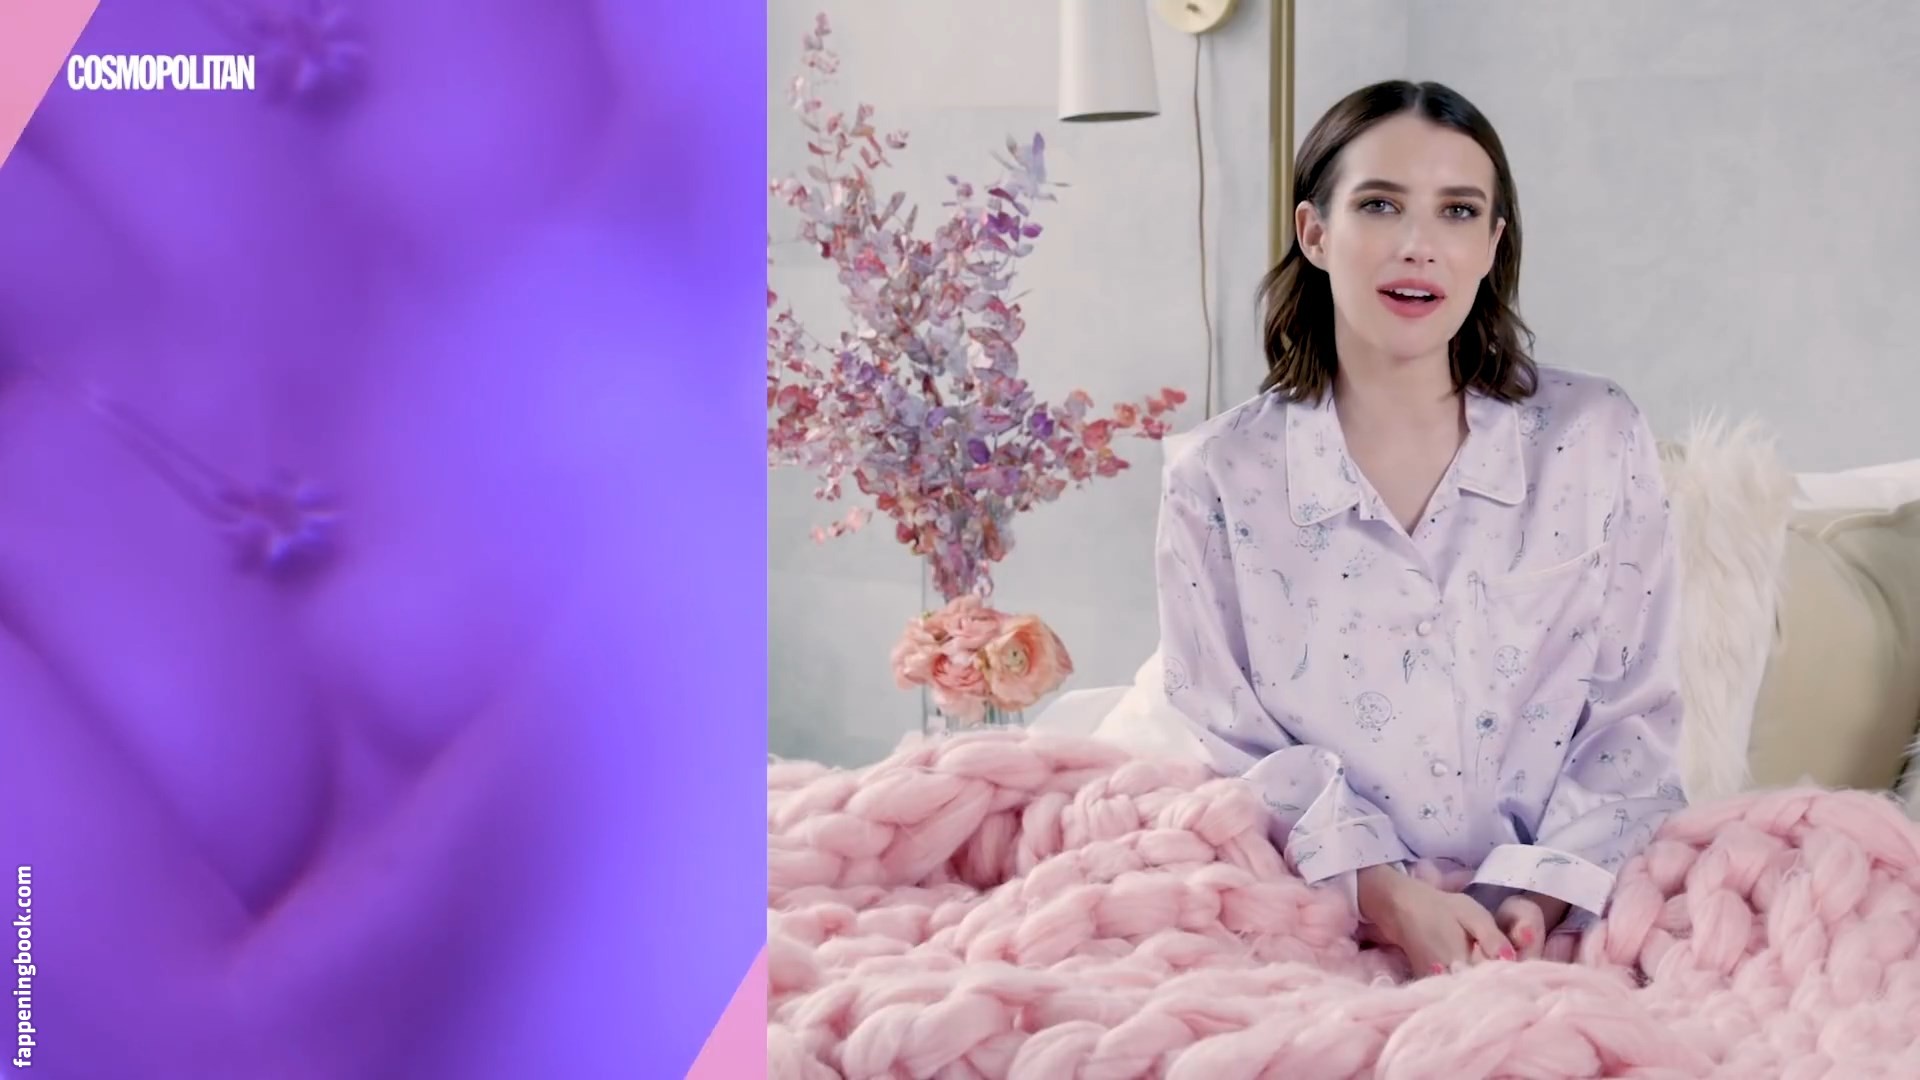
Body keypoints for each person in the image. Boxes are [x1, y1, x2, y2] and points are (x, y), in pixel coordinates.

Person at [1153, 79, 1687, 977]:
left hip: (1581, 913)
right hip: (1316, 918)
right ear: (1314, 232)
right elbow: (1231, 740)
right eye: (1379, 205)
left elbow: (1634, 715)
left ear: (1492, 246)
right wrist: (1395, 902)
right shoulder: (1217, 477)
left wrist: (1531, 903)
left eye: (1458, 211)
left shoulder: (1596, 438)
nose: (1418, 245)